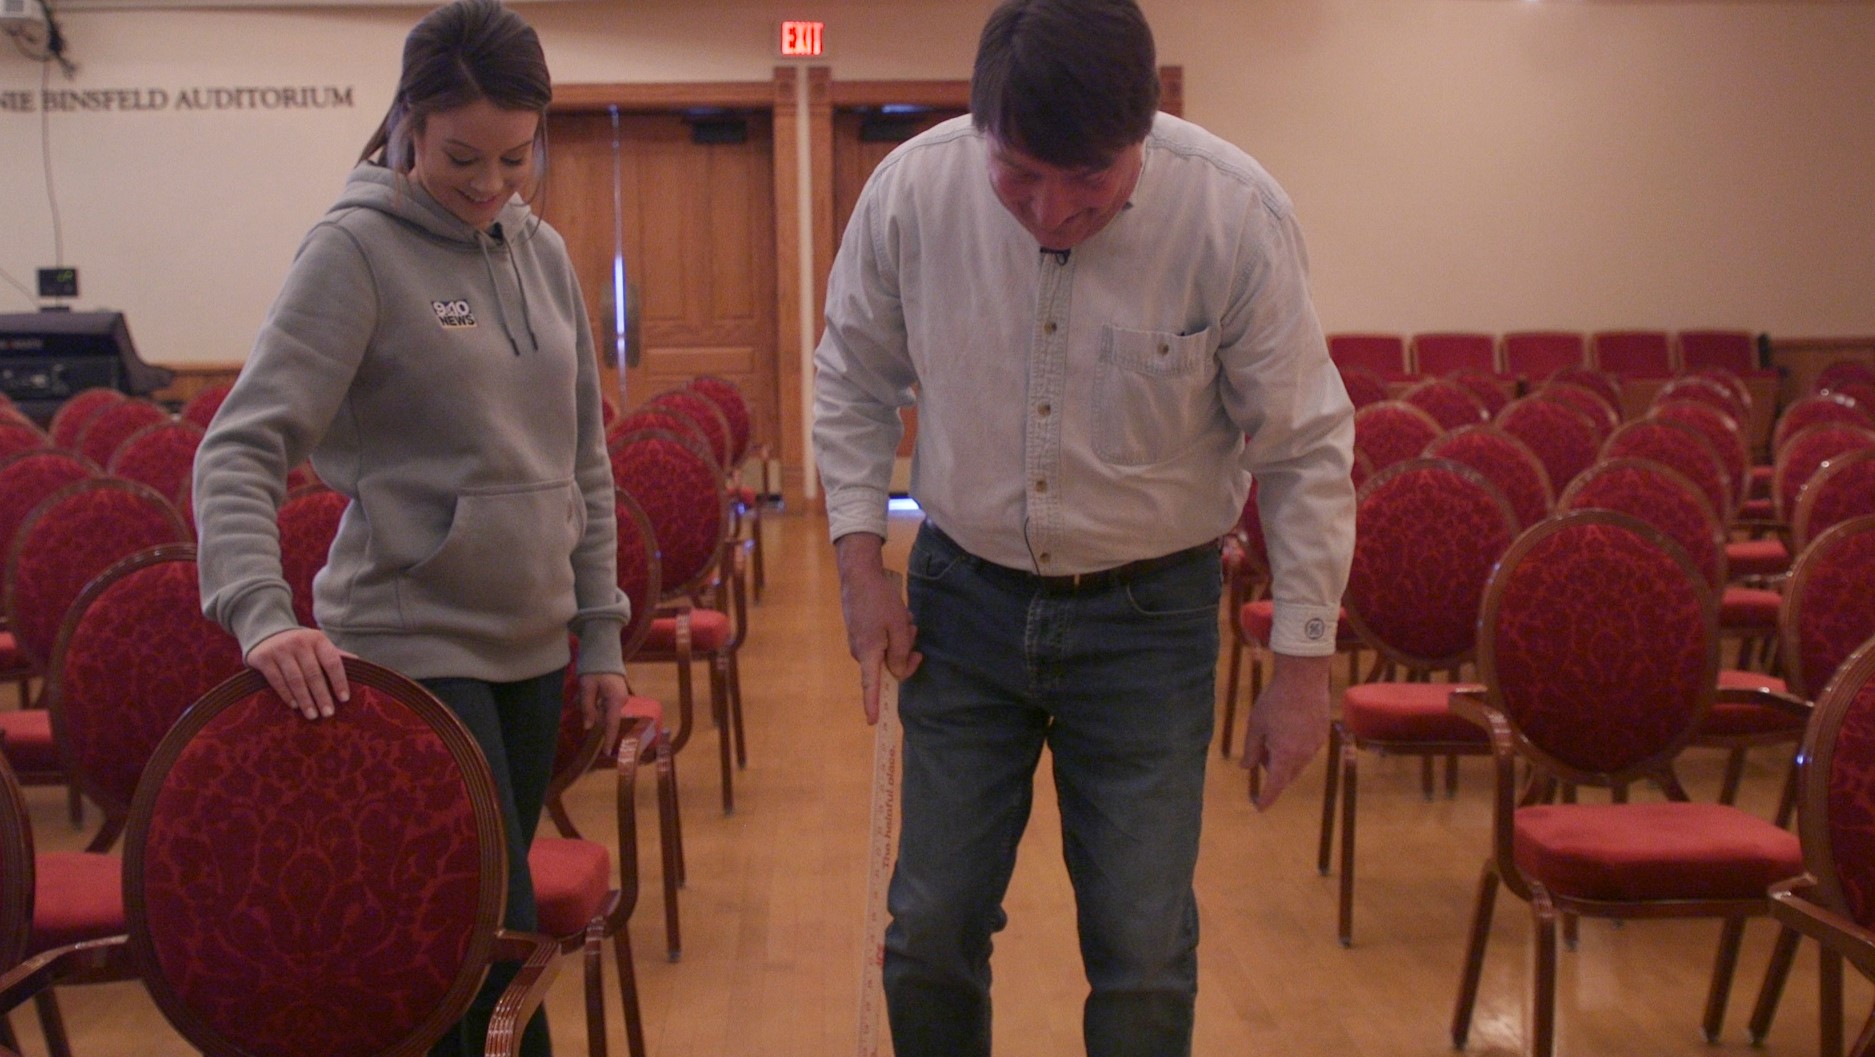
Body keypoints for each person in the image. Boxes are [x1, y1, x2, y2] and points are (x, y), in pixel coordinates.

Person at [811, 1, 1355, 1054]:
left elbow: (1302, 449)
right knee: (929, 928)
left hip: (1150, 621)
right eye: (1018, 173)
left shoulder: (1233, 215)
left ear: (1142, 132)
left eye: (1087, 179)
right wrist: (858, 564)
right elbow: (852, 379)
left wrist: (1302, 668)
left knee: (1142, 947)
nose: (1050, 210)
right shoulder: (913, 194)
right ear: (981, 127)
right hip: (963, 605)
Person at [191, 2, 630, 1054]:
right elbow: (238, 448)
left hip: (534, 652)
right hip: (412, 651)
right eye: (461, 157)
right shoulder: (353, 251)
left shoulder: (542, 252)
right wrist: (260, 615)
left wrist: (603, 630)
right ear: (407, 126)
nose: (489, 185)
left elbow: (584, 459)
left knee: (484, 952)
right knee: (483, 951)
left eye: (516, 159)